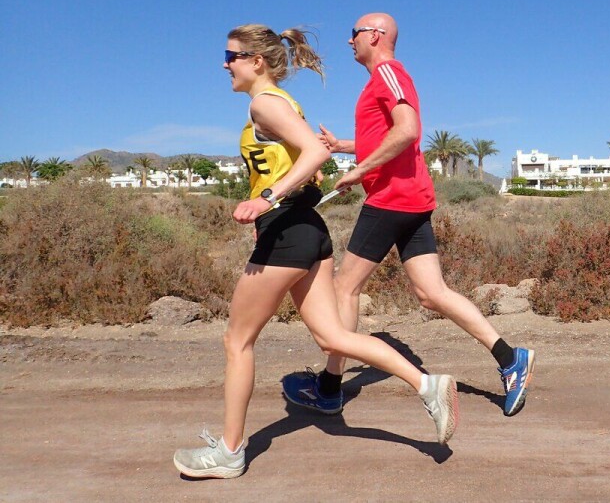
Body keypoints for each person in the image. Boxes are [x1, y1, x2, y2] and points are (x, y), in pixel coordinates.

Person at [173, 24, 459, 480]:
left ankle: (229, 452)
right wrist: (284, 195)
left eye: (231, 56)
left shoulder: (264, 104)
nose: (225, 64)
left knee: (237, 341)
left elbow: (313, 152)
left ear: (256, 61)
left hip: (287, 234)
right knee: (332, 339)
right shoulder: (284, 104)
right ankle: (427, 385)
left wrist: (267, 199)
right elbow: (306, 160)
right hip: (307, 232)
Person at [283, 13, 535, 418]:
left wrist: (361, 171)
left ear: (376, 36)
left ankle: (329, 388)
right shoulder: (379, 80)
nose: (349, 41)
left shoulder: (388, 73)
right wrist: (345, 145)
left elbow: (408, 131)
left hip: (391, 199)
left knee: (344, 289)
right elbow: (386, 136)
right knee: (430, 293)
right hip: (409, 198)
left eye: (354, 34)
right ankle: (511, 358)